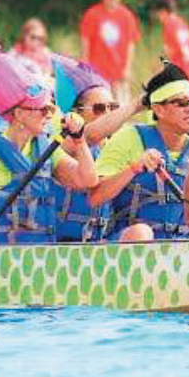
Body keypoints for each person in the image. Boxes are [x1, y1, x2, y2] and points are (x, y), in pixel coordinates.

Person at [0, 44, 95, 245]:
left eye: (51, 108)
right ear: (19, 113)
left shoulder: (46, 149)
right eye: (43, 109)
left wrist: (80, 140)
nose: (50, 115)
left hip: (39, 256)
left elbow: (87, 180)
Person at [87, 64, 189, 242]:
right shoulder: (129, 138)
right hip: (131, 245)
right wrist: (134, 168)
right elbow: (96, 197)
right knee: (141, 233)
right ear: (158, 109)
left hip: (184, 245)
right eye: (182, 103)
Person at [49, 55, 121, 242]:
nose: (108, 114)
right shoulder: (61, 140)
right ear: (75, 114)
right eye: (99, 108)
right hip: (60, 245)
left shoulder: (116, 147)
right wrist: (137, 105)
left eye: (112, 108)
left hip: (100, 244)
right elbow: (89, 135)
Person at [79, 0, 141, 105]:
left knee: (121, 107)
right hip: (97, 71)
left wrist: (127, 68)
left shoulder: (127, 16)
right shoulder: (92, 14)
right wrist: (85, 66)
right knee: (99, 107)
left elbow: (130, 44)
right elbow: (85, 42)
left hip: (119, 71)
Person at [154, 0, 189, 83]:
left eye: (158, 14)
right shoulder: (181, 23)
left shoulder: (169, 24)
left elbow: (169, 51)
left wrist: (159, 67)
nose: (158, 17)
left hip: (179, 70)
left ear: (163, 11)